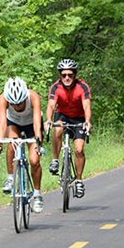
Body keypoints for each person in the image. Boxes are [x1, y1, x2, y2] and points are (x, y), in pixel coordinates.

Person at [0, 77, 44, 213]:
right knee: (12, 143)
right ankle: (10, 178)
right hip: (14, 123)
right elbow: (3, 122)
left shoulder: (33, 97)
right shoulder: (3, 98)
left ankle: (37, 194)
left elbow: (37, 122)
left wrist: (38, 140)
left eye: (20, 103)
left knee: (34, 160)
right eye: (14, 104)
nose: (18, 107)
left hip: (31, 124)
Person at [45, 59, 92, 198]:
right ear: (60, 75)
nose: (67, 78)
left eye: (70, 75)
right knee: (58, 128)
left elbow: (87, 106)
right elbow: (51, 106)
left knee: (79, 149)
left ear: (75, 75)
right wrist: (48, 120)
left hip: (79, 117)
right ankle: (55, 160)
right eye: (63, 75)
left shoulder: (82, 86)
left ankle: (78, 180)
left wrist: (88, 121)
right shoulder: (55, 87)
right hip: (63, 115)